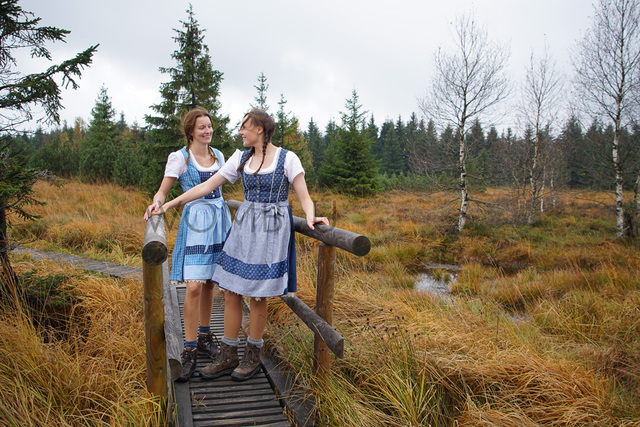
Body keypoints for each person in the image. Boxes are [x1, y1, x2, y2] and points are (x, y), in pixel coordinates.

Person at [146, 108, 328, 382]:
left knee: (257, 294)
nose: (240, 132)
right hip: (244, 227)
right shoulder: (240, 158)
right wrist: (169, 204)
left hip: (271, 231)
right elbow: (207, 186)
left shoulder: (287, 158)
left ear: (260, 130)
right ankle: (229, 352)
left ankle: (253, 353)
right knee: (230, 290)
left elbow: (304, 196)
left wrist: (312, 217)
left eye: (245, 127)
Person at [144, 107, 232, 382]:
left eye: (210, 126)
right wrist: (157, 204)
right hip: (196, 223)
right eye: (202, 127)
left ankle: (205, 335)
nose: (208, 131)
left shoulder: (218, 155)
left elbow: (219, 188)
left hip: (218, 219)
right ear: (191, 131)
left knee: (209, 283)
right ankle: (190, 349)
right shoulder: (180, 158)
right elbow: (163, 189)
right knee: (193, 285)